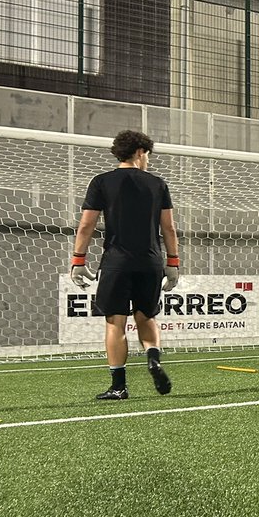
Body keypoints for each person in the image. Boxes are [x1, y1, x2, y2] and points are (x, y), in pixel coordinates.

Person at [70, 130, 180, 400]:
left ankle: (119, 386)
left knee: (115, 322)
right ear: (141, 152)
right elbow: (169, 229)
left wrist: (78, 261)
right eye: (148, 156)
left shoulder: (101, 182)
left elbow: (86, 225)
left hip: (117, 262)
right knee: (146, 316)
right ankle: (153, 359)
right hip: (151, 262)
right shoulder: (157, 184)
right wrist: (173, 264)